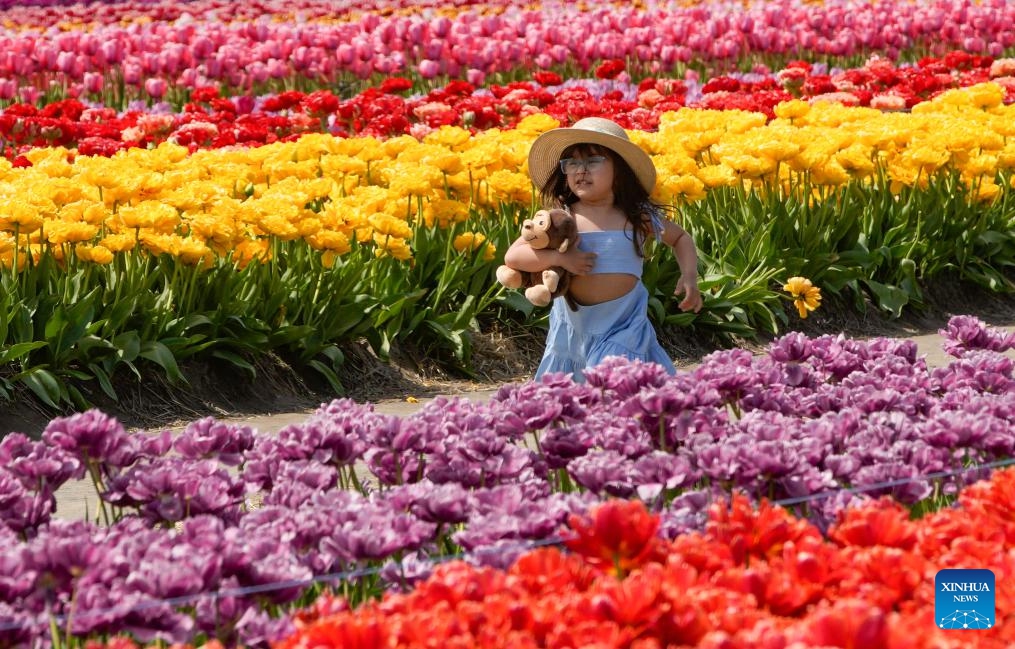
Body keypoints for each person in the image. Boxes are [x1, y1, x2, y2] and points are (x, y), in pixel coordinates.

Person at [503, 116, 703, 382]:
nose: (580, 170)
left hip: (623, 325)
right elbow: (513, 256)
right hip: (575, 326)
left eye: (593, 161)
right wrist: (560, 257)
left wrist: (689, 275)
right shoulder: (562, 219)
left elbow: (680, 238)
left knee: (612, 388)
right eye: (572, 162)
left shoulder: (636, 216)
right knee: (573, 401)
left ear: (619, 171)